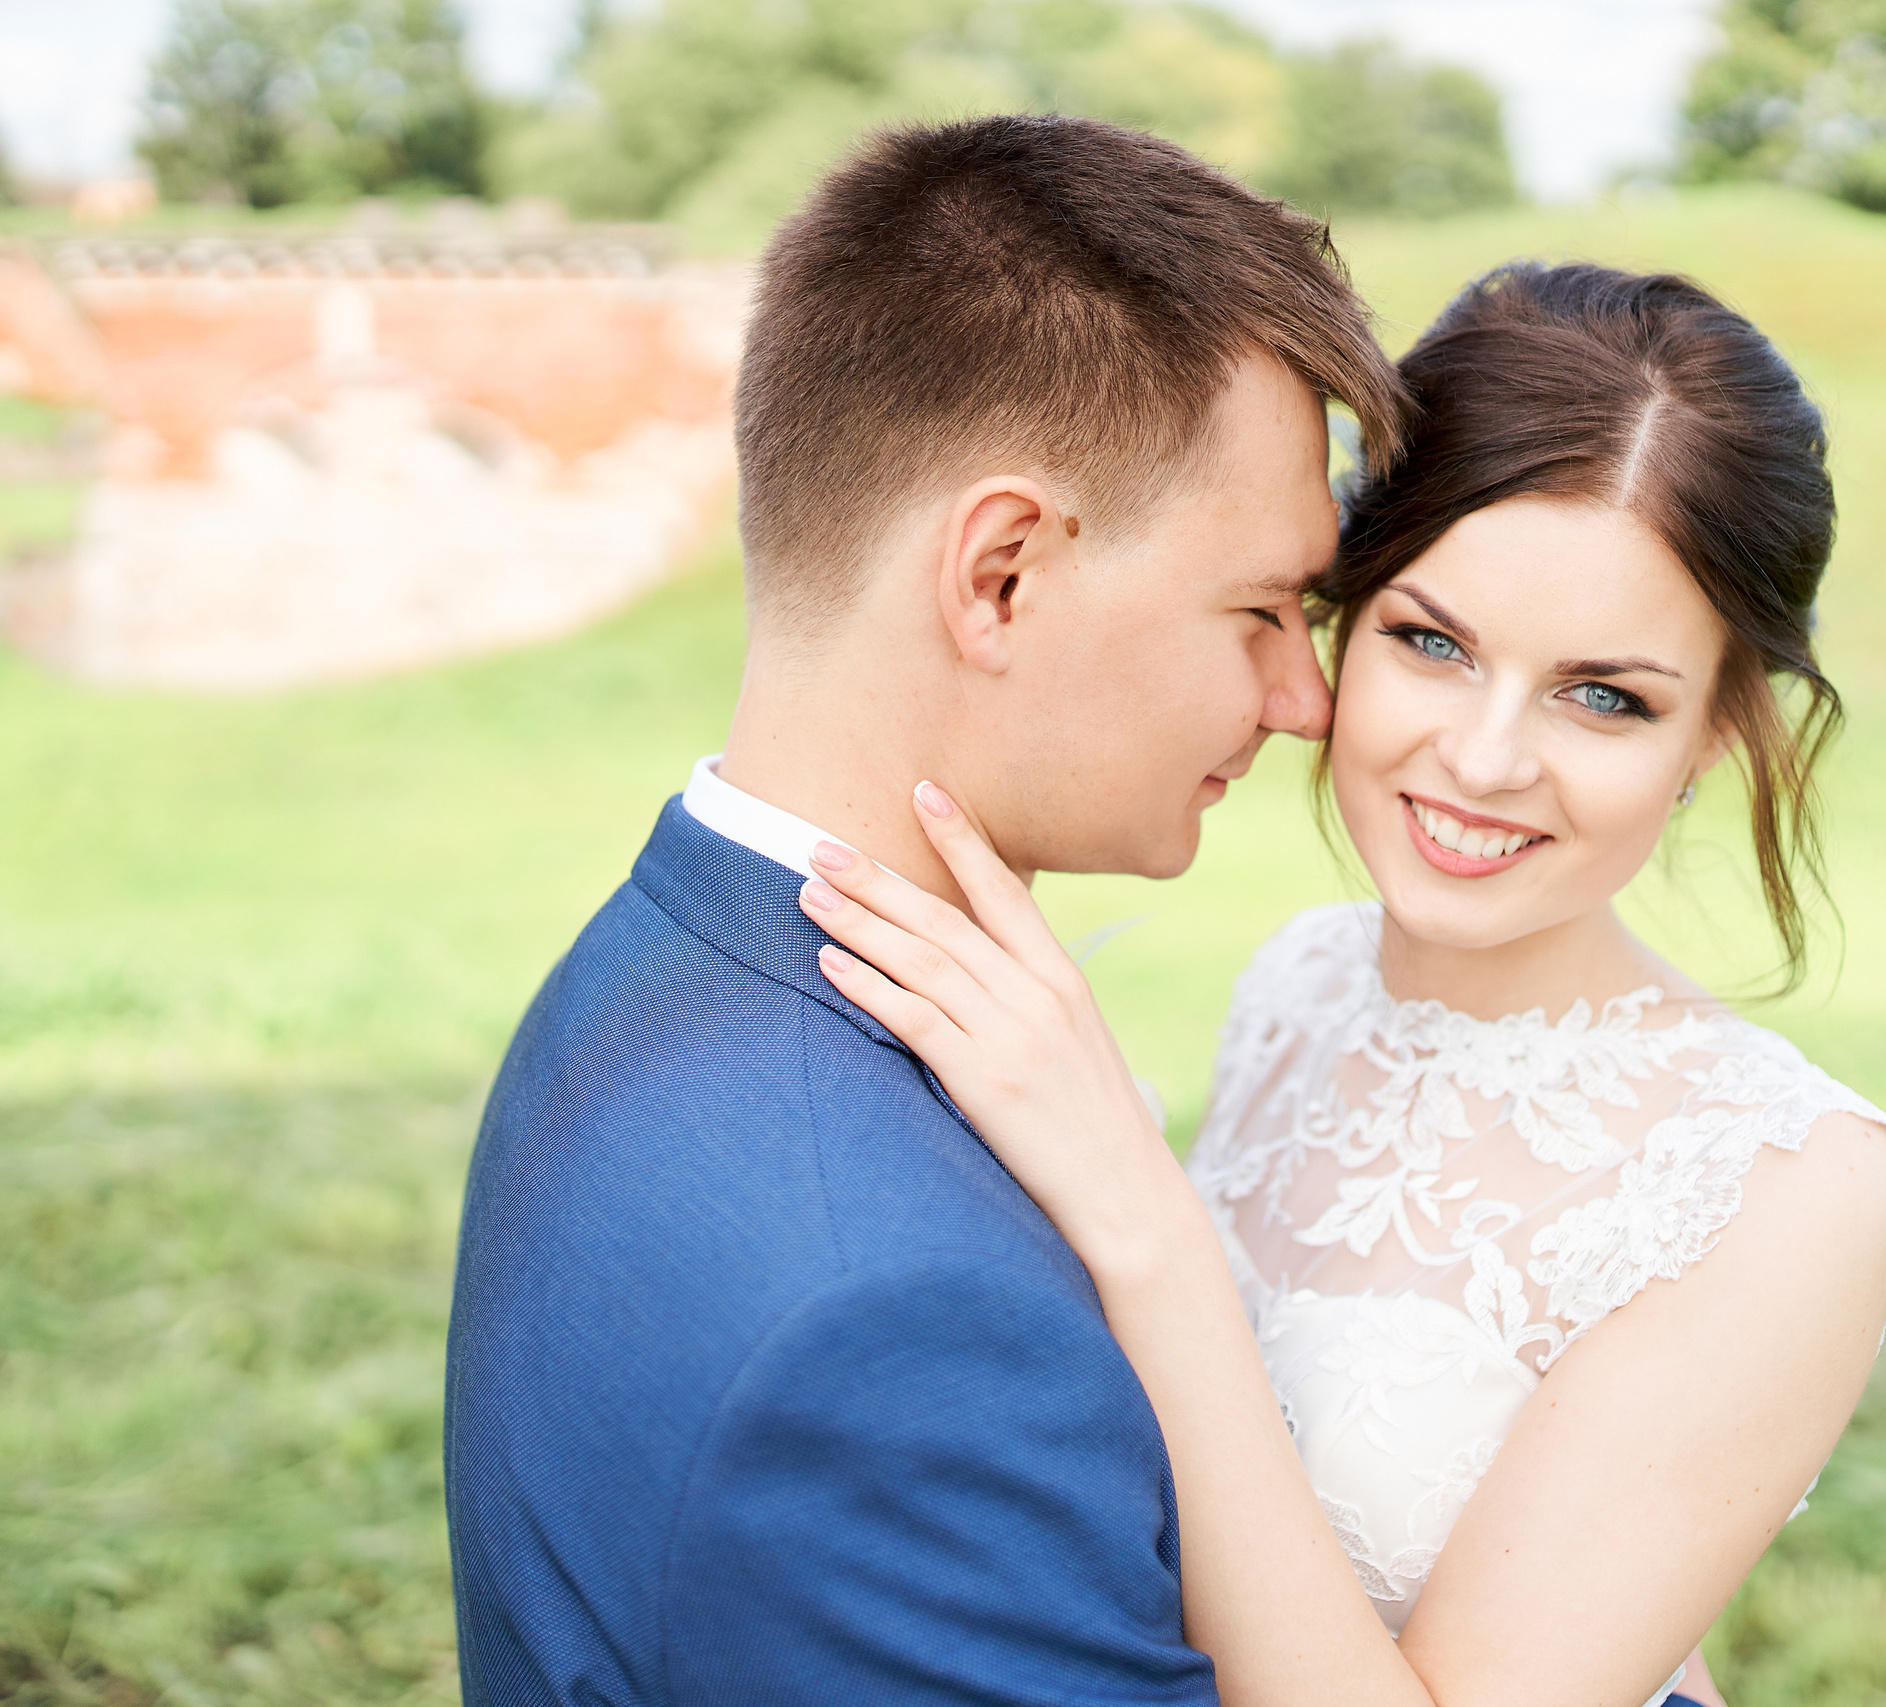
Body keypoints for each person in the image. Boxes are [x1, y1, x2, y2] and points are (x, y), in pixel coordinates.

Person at [792, 261, 1886, 1707]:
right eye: (1431, 642)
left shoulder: (1790, 1185)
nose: (1485, 759)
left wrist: (1140, 1218)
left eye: (1604, 696)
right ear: (1338, 616)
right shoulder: (1303, 985)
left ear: (1714, 732)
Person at [441, 115, 1408, 1705]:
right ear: (1002, 573)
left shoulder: (655, 956)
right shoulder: (893, 1321)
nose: (1305, 701)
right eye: (1258, 611)